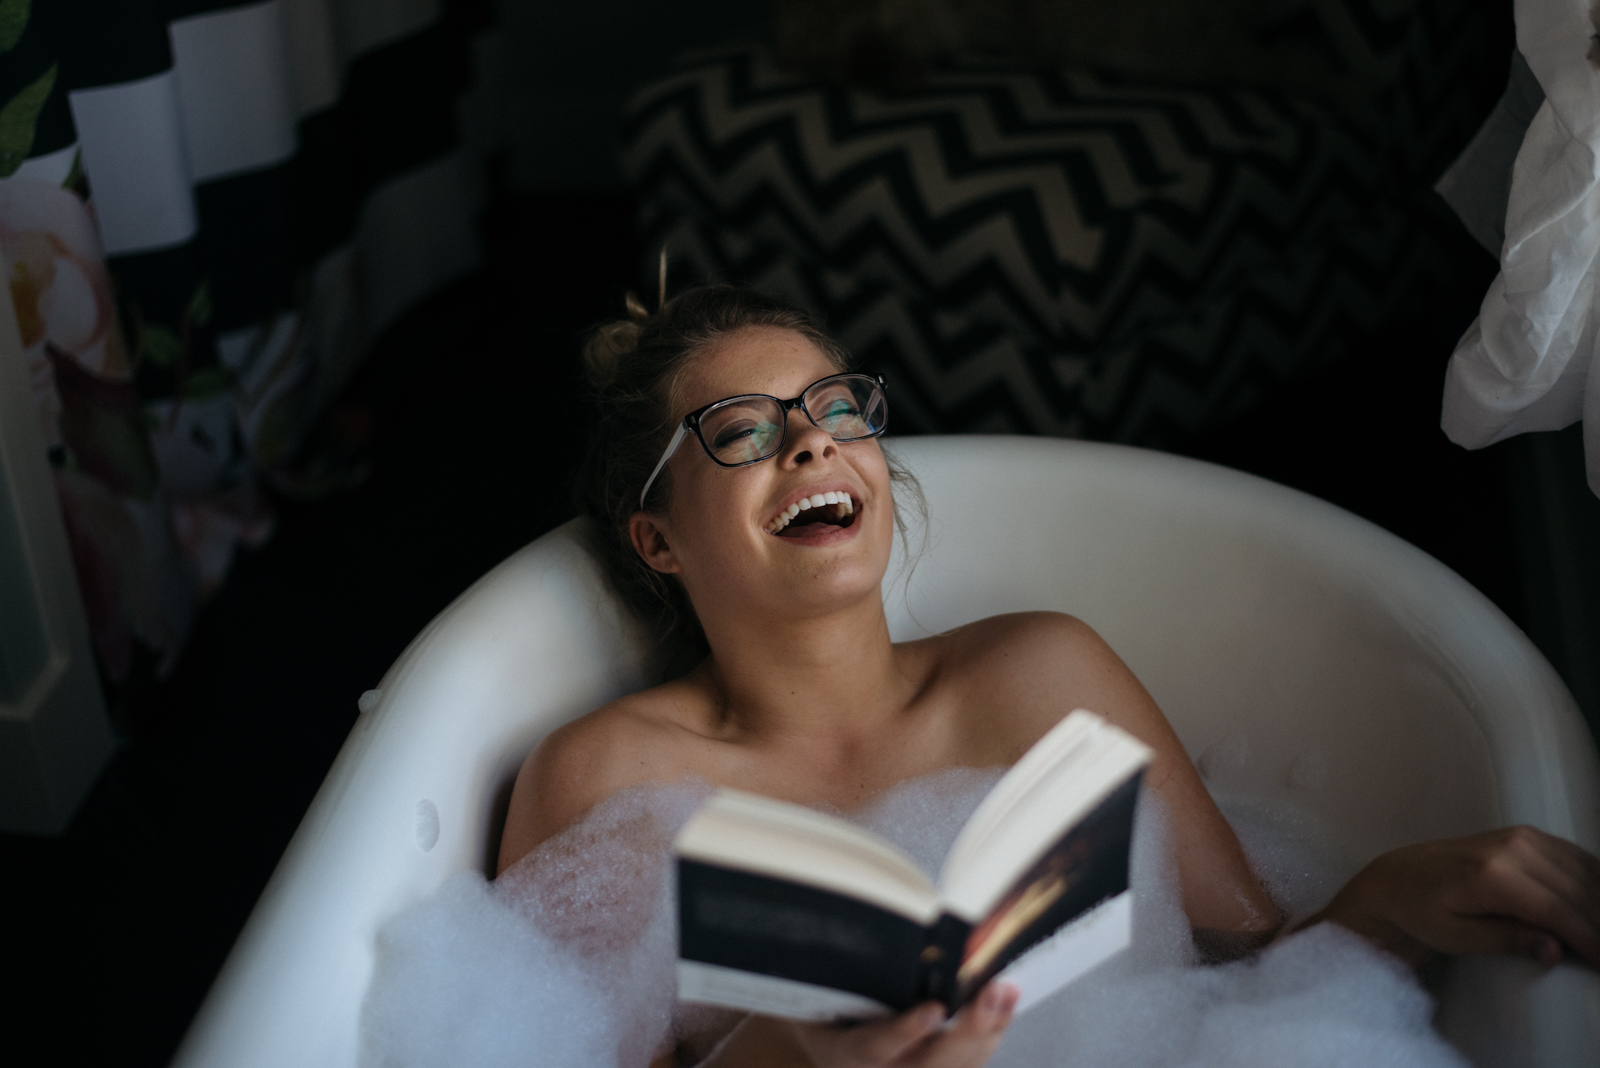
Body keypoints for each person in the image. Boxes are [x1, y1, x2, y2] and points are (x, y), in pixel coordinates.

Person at [497, 285, 1600, 1068]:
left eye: (838, 409)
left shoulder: (1036, 676)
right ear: (658, 543)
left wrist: (1394, 895)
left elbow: (1249, 981)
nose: (813, 443)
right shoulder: (609, 782)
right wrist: (788, 1054)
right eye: (742, 431)